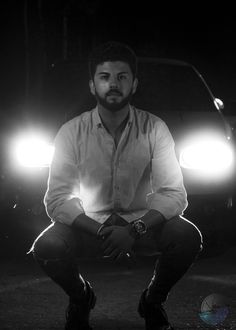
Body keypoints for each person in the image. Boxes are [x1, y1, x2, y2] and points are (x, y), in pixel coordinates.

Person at [29, 41, 203, 330]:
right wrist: (101, 230)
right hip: (89, 225)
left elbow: (173, 194)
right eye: (105, 77)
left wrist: (135, 229)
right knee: (47, 245)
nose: (113, 84)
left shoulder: (154, 128)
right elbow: (57, 199)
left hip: (142, 224)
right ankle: (82, 298)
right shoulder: (71, 132)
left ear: (134, 84)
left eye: (122, 77)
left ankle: (152, 301)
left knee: (188, 237)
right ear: (92, 85)